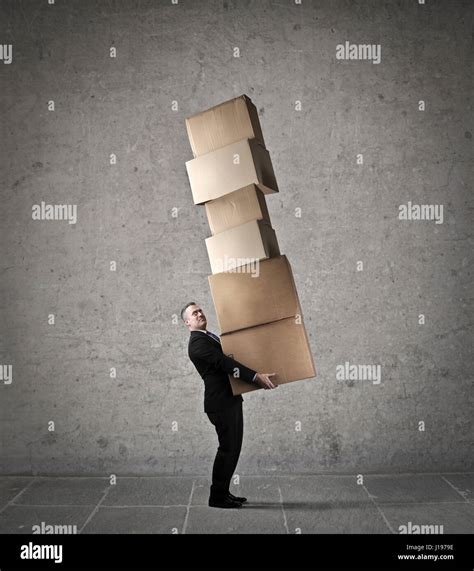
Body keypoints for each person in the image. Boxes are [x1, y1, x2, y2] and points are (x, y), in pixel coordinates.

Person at [181, 302, 278, 509]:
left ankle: (223, 492)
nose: (199, 314)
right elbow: (225, 363)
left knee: (232, 448)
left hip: (229, 399)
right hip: (220, 403)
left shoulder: (207, 336)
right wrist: (255, 377)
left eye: (199, 310)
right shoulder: (197, 343)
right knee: (228, 449)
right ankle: (217, 497)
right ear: (186, 322)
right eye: (193, 313)